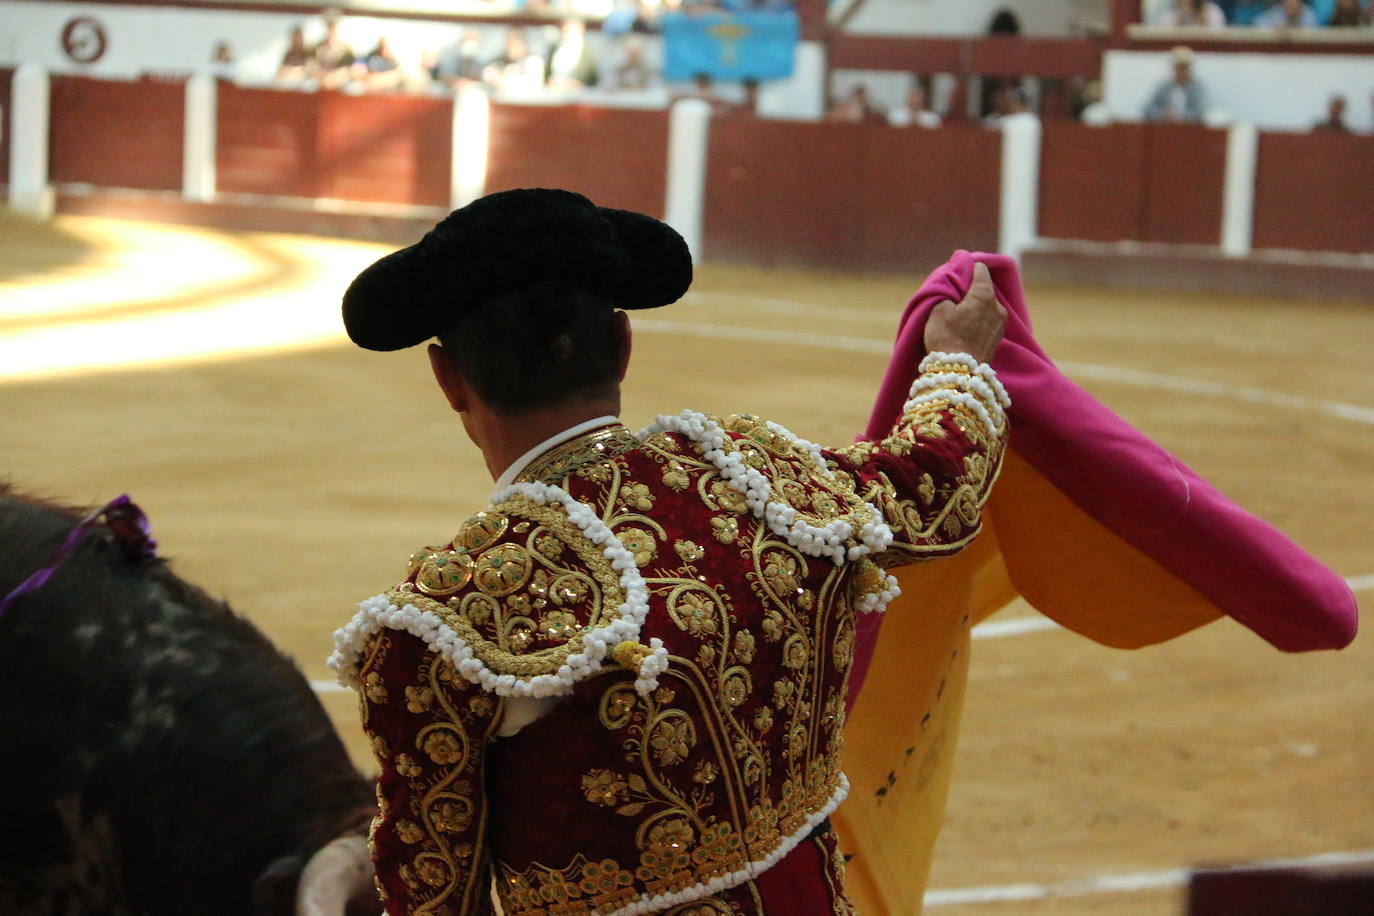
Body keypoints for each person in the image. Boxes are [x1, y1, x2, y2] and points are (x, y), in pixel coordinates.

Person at [328, 188, 1010, 914]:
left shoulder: (447, 622)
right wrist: (956, 360)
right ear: (623, 343)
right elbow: (936, 478)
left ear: (449, 379)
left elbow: (436, 895)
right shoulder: (762, 478)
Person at [1144, 45, 1207, 122]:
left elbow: (1201, 111)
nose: (1181, 71)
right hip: (1165, 127)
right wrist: (1163, 114)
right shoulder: (1164, 86)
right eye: (1178, 67)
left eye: (1184, 67)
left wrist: (1179, 115)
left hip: (1189, 129)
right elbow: (1147, 108)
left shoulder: (1197, 87)